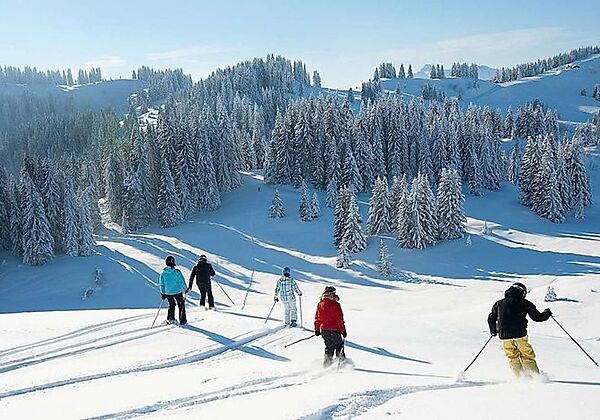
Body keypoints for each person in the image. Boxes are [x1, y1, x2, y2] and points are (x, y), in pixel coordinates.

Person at [488, 282, 552, 377]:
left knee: (512, 356)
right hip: (520, 334)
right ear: (522, 292)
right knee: (527, 355)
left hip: (504, 336)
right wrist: (547, 313)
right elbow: (537, 317)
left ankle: (519, 377)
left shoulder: (499, 303)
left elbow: (491, 318)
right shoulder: (525, 303)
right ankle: (535, 376)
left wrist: (493, 331)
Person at [314, 286, 347, 367]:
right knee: (339, 346)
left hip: (324, 331)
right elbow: (339, 319)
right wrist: (343, 330)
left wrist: (317, 329)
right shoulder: (335, 305)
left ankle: (327, 365)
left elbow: (317, 318)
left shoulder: (320, 304)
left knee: (329, 348)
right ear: (332, 294)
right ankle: (342, 365)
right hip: (334, 330)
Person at [159, 256, 188, 326]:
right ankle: (182, 321)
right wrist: (185, 289)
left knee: (171, 305)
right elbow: (181, 281)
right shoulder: (177, 272)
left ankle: (170, 319)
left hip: (168, 292)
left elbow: (162, 284)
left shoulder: (163, 273)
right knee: (181, 305)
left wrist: (162, 293)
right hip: (177, 291)